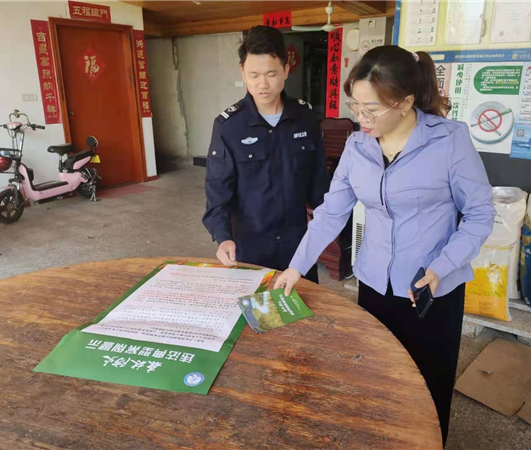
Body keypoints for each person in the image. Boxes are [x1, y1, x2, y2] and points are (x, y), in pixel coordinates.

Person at [274, 45, 495, 446]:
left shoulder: (449, 141)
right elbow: (331, 212)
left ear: (406, 103)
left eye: (372, 109)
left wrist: (441, 266)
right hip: (375, 282)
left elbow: (480, 214)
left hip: (430, 288)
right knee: (378, 378)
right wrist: (296, 267)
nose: (361, 118)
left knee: (428, 383)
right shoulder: (358, 146)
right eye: (355, 106)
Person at [202, 26, 329, 281]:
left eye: (271, 74)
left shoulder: (305, 118)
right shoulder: (229, 126)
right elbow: (217, 189)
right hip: (249, 246)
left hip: (297, 246)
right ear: (242, 72)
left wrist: (325, 218)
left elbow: (318, 179)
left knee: (303, 302)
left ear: (286, 70)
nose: (263, 84)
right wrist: (223, 237)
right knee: (253, 304)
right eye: (254, 75)